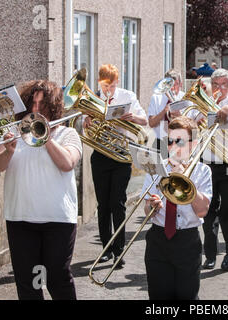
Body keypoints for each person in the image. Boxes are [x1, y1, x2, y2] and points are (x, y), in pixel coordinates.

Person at [0, 80, 83, 300]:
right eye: (32, 104)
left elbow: (67, 163)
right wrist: (8, 151)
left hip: (57, 220)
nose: (35, 110)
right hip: (20, 218)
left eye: (41, 106)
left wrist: (46, 137)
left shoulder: (67, 135)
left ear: (53, 107)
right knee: (28, 282)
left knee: (57, 278)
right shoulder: (13, 132)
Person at [142, 116, 212, 300]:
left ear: (193, 144)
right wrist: (152, 206)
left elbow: (203, 210)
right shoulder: (157, 167)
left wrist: (185, 180)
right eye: (170, 141)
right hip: (158, 238)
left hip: (187, 241)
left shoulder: (203, 171)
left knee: (187, 297)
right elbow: (146, 210)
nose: (173, 146)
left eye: (179, 141)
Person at [87, 64, 147, 265]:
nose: (108, 90)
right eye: (105, 86)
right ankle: (106, 249)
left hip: (121, 154)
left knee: (118, 203)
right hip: (101, 154)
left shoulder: (127, 96)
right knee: (103, 204)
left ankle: (119, 250)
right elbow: (84, 123)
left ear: (117, 82)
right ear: (99, 82)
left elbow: (144, 120)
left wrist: (133, 117)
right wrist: (87, 121)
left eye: (111, 86)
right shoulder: (93, 98)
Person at [191, 68, 228, 271]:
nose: (220, 88)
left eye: (224, 84)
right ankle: (211, 255)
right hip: (207, 165)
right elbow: (191, 126)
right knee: (208, 213)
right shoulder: (202, 105)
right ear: (211, 85)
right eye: (216, 84)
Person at [148, 69, 184, 158]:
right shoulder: (156, 98)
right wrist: (164, 111)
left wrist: (179, 115)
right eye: (169, 85)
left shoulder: (185, 98)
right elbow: (151, 123)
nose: (172, 88)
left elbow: (190, 125)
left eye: (175, 84)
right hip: (161, 143)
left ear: (181, 84)